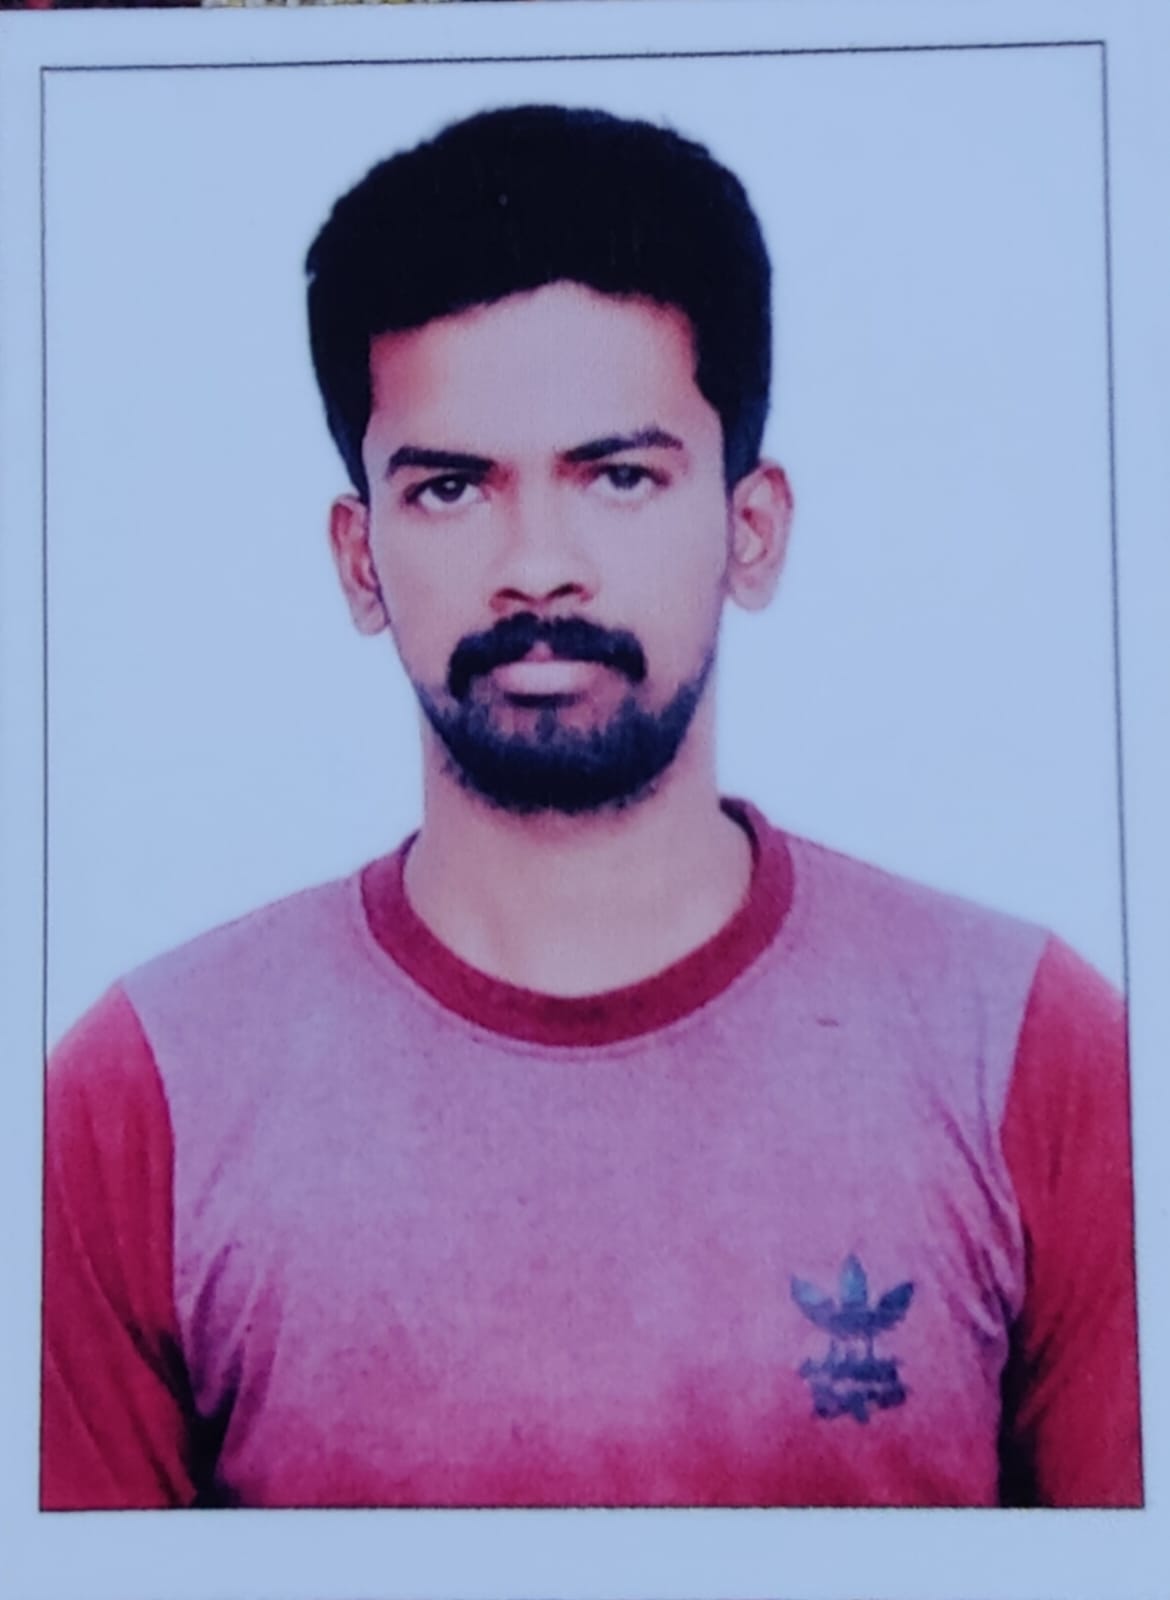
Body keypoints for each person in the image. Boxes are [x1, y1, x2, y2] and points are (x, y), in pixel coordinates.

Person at [41, 104, 1142, 1511]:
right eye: (452, 488)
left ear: (752, 530)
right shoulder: (137, 1101)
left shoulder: (1034, 1056)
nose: (539, 565)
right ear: (360, 559)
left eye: (619, 477)